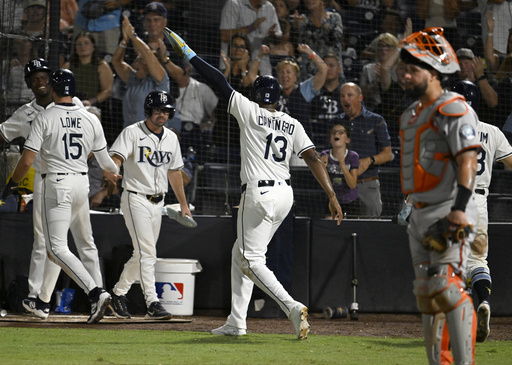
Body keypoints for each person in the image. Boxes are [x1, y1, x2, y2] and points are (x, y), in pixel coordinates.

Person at [165, 28, 343, 339]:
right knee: (241, 253)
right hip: (285, 195)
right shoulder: (292, 122)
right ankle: (237, 322)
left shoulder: (249, 111)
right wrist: (331, 194)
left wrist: (190, 54)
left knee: (251, 258)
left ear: (256, 95)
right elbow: (314, 158)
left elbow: (219, 83)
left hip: (259, 193)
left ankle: (290, 305)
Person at [1, 68, 121, 324]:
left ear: (53, 90)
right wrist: (115, 174)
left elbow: (27, 160)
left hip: (57, 184)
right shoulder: (90, 118)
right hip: (82, 184)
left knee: (55, 248)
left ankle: (96, 292)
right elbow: (107, 164)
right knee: (77, 243)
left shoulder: (45, 116)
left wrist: (12, 183)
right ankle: (43, 301)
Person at [399, 27, 480, 364]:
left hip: (448, 209)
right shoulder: (410, 115)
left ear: (433, 72)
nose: (405, 75)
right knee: (426, 297)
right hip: (417, 215)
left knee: (447, 288)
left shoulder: (453, 107)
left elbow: (467, 160)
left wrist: (459, 210)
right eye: (403, 69)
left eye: (412, 70)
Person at [108, 90, 192, 320]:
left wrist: (183, 204)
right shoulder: (132, 132)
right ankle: (152, 303)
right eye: (157, 110)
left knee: (142, 254)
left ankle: (117, 294)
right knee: (148, 253)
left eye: (165, 111)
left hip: (159, 202)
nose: (161, 115)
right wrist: (112, 171)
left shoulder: (171, 137)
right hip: (135, 198)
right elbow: (116, 158)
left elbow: (175, 172)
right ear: (149, 111)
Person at [451, 80, 512, 343]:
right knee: (478, 262)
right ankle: (484, 301)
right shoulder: (493, 131)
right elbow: (511, 164)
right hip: (480, 204)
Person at [337, 82, 393, 217]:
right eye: (342, 96)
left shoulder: (376, 120)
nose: (346, 99)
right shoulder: (335, 122)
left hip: (367, 185)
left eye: (350, 95)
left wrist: (369, 161)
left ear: (360, 98)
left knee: (370, 230)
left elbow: (388, 154)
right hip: (341, 184)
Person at [112, 16, 170, 128]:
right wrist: (125, 40)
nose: (137, 64)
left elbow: (147, 54)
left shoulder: (160, 80)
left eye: (142, 61)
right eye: (137, 60)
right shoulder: (133, 78)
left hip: (151, 135)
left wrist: (133, 35)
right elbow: (116, 61)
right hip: (129, 135)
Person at [219, 0, 282, 76]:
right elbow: (224, 36)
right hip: (233, 70)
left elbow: (279, 36)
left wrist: (273, 35)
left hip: (263, 68)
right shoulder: (234, 4)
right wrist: (251, 27)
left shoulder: (269, 8)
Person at [296, 0, 343, 81]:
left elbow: (335, 38)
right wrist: (295, 26)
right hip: (309, 72)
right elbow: (299, 44)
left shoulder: (335, 17)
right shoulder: (303, 20)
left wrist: (322, 20)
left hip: (331, 71)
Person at [319, 121, 359, 217]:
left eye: (341, 132)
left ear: (347, 139)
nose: (336, 134)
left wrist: (342, 164)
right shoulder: (325, 155)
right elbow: (321, 182)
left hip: (350, 202)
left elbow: (352, 184)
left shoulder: (353, 156)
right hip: (331, 201)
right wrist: (322, 167)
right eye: (334, 132)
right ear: (330, 139)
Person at [63, 32, 114, 107]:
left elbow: (107, 91)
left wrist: (91, 101)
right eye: (79, 44)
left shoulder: (102, 66)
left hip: (93, 106)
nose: (82, 46)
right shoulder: (67, 66)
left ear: (93, 47)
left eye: (86, 43)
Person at [310, 53, 345, 149]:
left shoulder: (346, 92)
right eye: (325, 66)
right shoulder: (312, 92)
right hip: (316, 142)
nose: (328, 69)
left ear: (339, 69)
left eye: (332, 65)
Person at [359, 32, 400, 112]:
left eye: (388, 46)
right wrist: (376, 83)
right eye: (381, 46)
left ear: (395, 49)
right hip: (372, 110)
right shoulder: (367, 69)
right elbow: (362, 96)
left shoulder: (400, 69)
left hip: (394, 110)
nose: (383, 49)